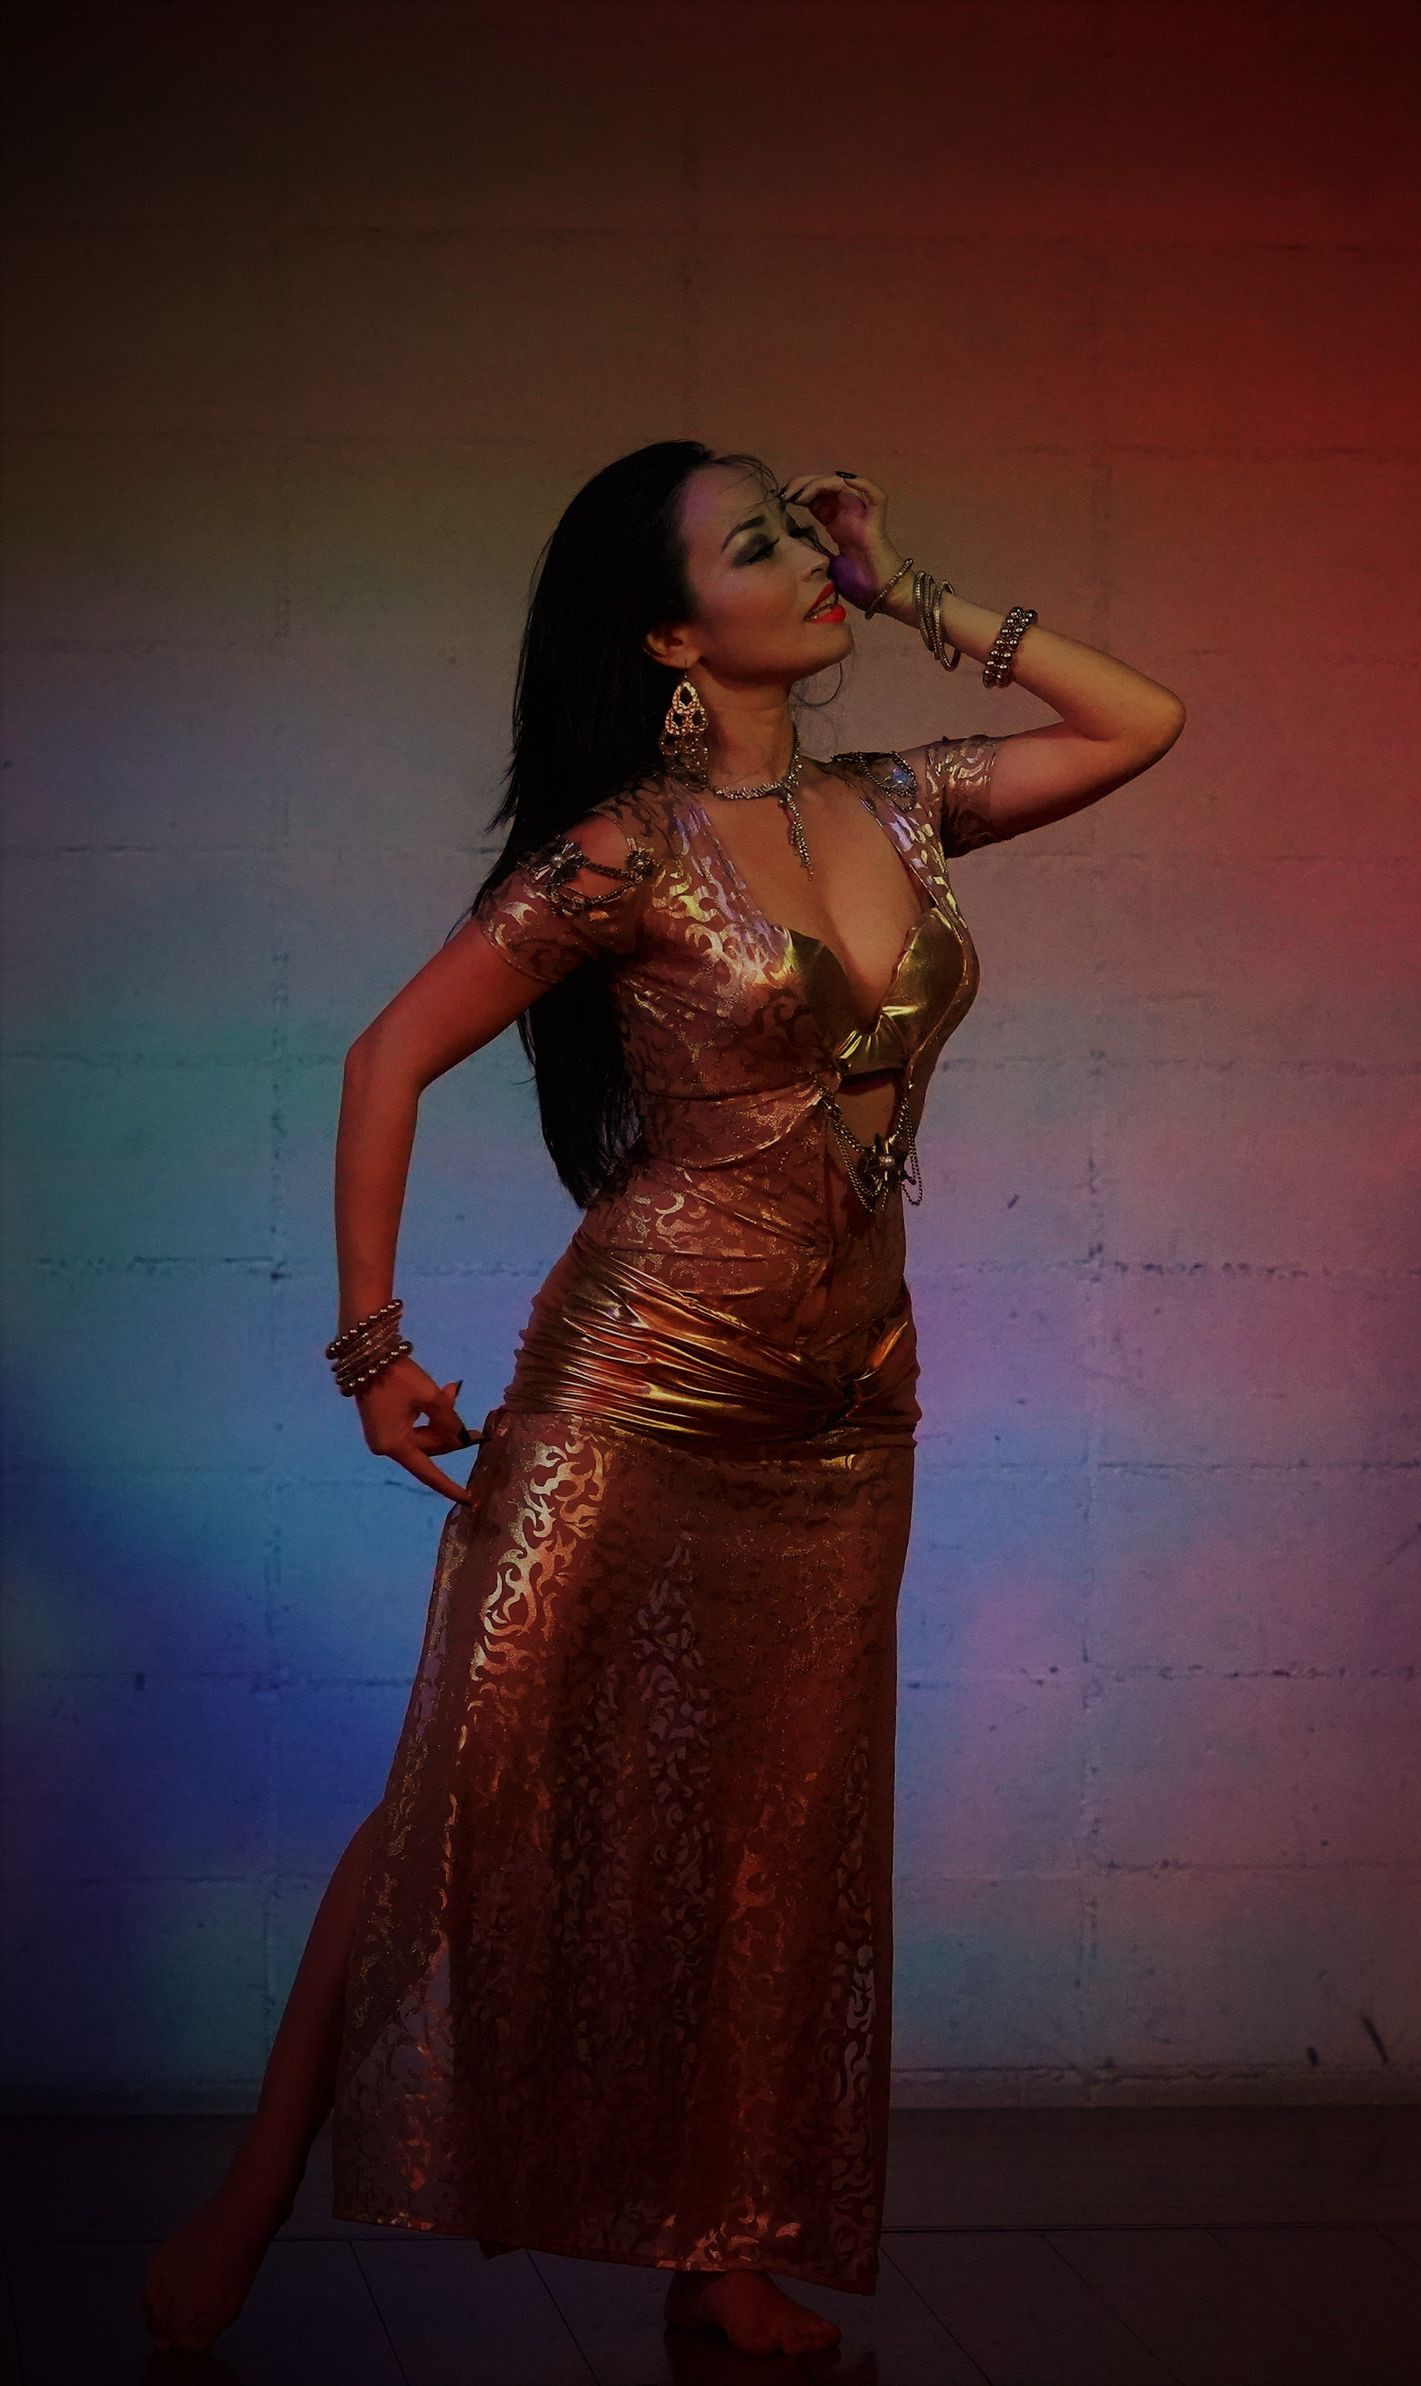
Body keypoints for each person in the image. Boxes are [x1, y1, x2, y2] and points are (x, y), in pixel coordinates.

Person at [138, 444, 1186, 2359]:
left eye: (800, 537)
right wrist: (373, 1351)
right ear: (670, 636)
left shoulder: (902, 801)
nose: (803, 566)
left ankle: (723, 2249)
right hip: (635, 1381)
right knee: (465, 1789)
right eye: (761, 547)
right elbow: (386, 1057)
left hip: (846, 1401)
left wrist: (908, 585)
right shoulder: (625, 850)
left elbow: (1141, 719)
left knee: (778, 1830)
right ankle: (249, 2197)